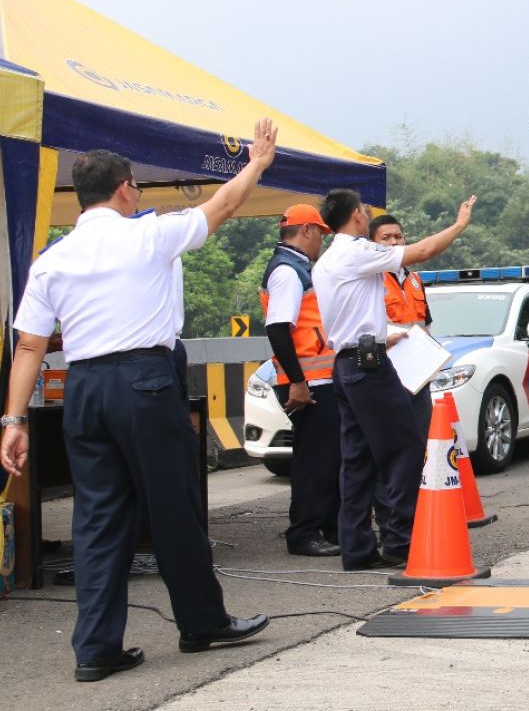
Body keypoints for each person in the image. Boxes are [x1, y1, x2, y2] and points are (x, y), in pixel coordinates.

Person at [0, 118, 278, 682]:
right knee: (172, 506)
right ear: (126, 186)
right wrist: (257, 164)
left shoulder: (52, 259)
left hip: (84, 389)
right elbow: (222, 206)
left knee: (98, 519)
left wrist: (13, 419)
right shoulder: (149, 235)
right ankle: (202, 624)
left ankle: (96, 648)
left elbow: (28, 343)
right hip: (144, 382)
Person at [312, 189, 475, 571]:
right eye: (365, 212)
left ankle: (357, 548)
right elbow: (421, 252)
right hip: (370, 365)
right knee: (404, 449)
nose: (369, 218)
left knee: (357, 461)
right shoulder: (357, 251)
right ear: (355, 216)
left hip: (346, 364)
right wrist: (459, 225)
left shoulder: (324, 261)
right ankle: (401, 541)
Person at [259, 204, 341, 557]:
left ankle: (328, 527)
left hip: (317, 379)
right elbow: (278, 328)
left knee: (327, 457)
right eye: (320, 233)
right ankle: (304, 533)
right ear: (306, 230)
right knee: (314, 461)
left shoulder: (298, 269)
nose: (321, 240)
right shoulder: (288, 273)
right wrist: (297, 381)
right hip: (309, 382)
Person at [367, 215, 434, 533]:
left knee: (417, 448)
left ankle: (414, 517)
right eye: (386, 238)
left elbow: (426, 326)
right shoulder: (370, 280)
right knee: (389, 450)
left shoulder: (415, 279)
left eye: (398, 237)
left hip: (419, 378)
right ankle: (389, 521)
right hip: (388, 376)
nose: (394, 243)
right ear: (372, 244)